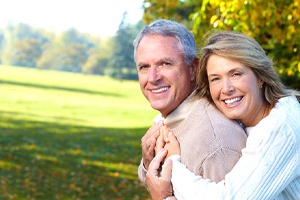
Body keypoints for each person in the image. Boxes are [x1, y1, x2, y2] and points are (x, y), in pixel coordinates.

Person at [146, 30, 300, 199]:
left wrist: (173, 164)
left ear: (260, 76)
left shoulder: (282, 125)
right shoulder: (245, 120)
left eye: (236, 74)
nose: (226, 89)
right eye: (215, 79)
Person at [133, 20, 247, 199]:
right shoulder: (171, 120)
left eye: (165, 64)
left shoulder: (217, 143)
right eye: (144, 67)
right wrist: (148, 164)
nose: (153, 78)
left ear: (193, 69)